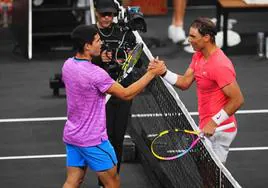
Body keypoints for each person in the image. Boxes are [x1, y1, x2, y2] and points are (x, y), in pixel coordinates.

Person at [61, 24, 165, 188]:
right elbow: (126, 94)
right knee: (112, 183)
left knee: (73, 181)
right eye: (97, 40)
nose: (101, 42)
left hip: (73, 136)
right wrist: (151, 73)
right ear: (87, 46)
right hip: (93, 141)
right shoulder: (96, 74)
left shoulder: (68, 66)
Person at [154, 17, 244, 164]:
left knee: (212, 178)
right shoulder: (198, 56)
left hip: (219, 130)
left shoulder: (220, 65)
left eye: (193, 36)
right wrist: (163, 71)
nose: (189, 40)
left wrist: (214, 122)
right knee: (205, 175)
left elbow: (238, 99)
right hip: (206, 126)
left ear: (207, 38)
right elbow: (184, 83)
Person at [92, 0, 141, 186]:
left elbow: (137, 61)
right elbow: (80, 60)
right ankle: (102, 180)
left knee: (117, 139)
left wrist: (124, 61)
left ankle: (111, 180)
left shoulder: (126, 34)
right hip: (97, 94)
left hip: (121, 91)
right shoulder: (89, 33)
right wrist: (99, 58)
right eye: (104, 14)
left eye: (110, 14)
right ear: (96, 12)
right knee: (102, 139)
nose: (107, 18)